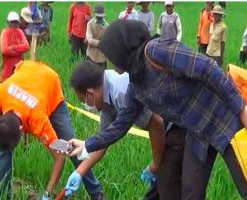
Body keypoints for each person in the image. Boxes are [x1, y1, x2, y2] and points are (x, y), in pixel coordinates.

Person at [65, 20, 247, 199]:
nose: (110, 62)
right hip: (196, 132)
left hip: (224, 119)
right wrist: (87, 144)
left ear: (121, 49)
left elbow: (207, 68)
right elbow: (120, 125)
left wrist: (241, 109)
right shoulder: (135, 86)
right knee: (191, 194)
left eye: (111, 55)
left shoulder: (156, 50)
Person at [0, 60, 105, 200]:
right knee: (5, 148)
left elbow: (60, 157)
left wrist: (47, 194)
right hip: (26, 70)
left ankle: (96, 192)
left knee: (70, 147)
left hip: (50, 85)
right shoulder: (0, 93)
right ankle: (3, 195)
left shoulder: (37, 121)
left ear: (21, 129)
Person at [69, 60, 187, 200]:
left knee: (167, 184)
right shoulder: (105, 95)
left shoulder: (120, 92)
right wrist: (79, 172)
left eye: (82, 100)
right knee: (158, 191)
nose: (84, 105)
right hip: (167, 131)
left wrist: (156, 164)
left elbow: (157, 123)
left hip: (178, 126)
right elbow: (103, 140)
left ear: (90, 93)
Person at [0, 11, 29, 82]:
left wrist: (13, 47)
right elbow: (4, 50)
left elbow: (26, 46)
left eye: (16, 22)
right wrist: (19, 52)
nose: (14, 24)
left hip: (19, 67)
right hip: (7, 68)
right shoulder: (5, 32)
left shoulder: (20, 32)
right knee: (6, 84)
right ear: (8, 22)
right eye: (12, 22)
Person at [85, 4, 109, 69]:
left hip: (102, 57)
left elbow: (108, 41)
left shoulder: (107, 26)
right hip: (91, 55)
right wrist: (102, 43)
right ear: (94, 14)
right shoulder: (90, 24)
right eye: (98, 17)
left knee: (101, 77)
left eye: (101, 17)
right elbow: (90, 40)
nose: (99, 18)